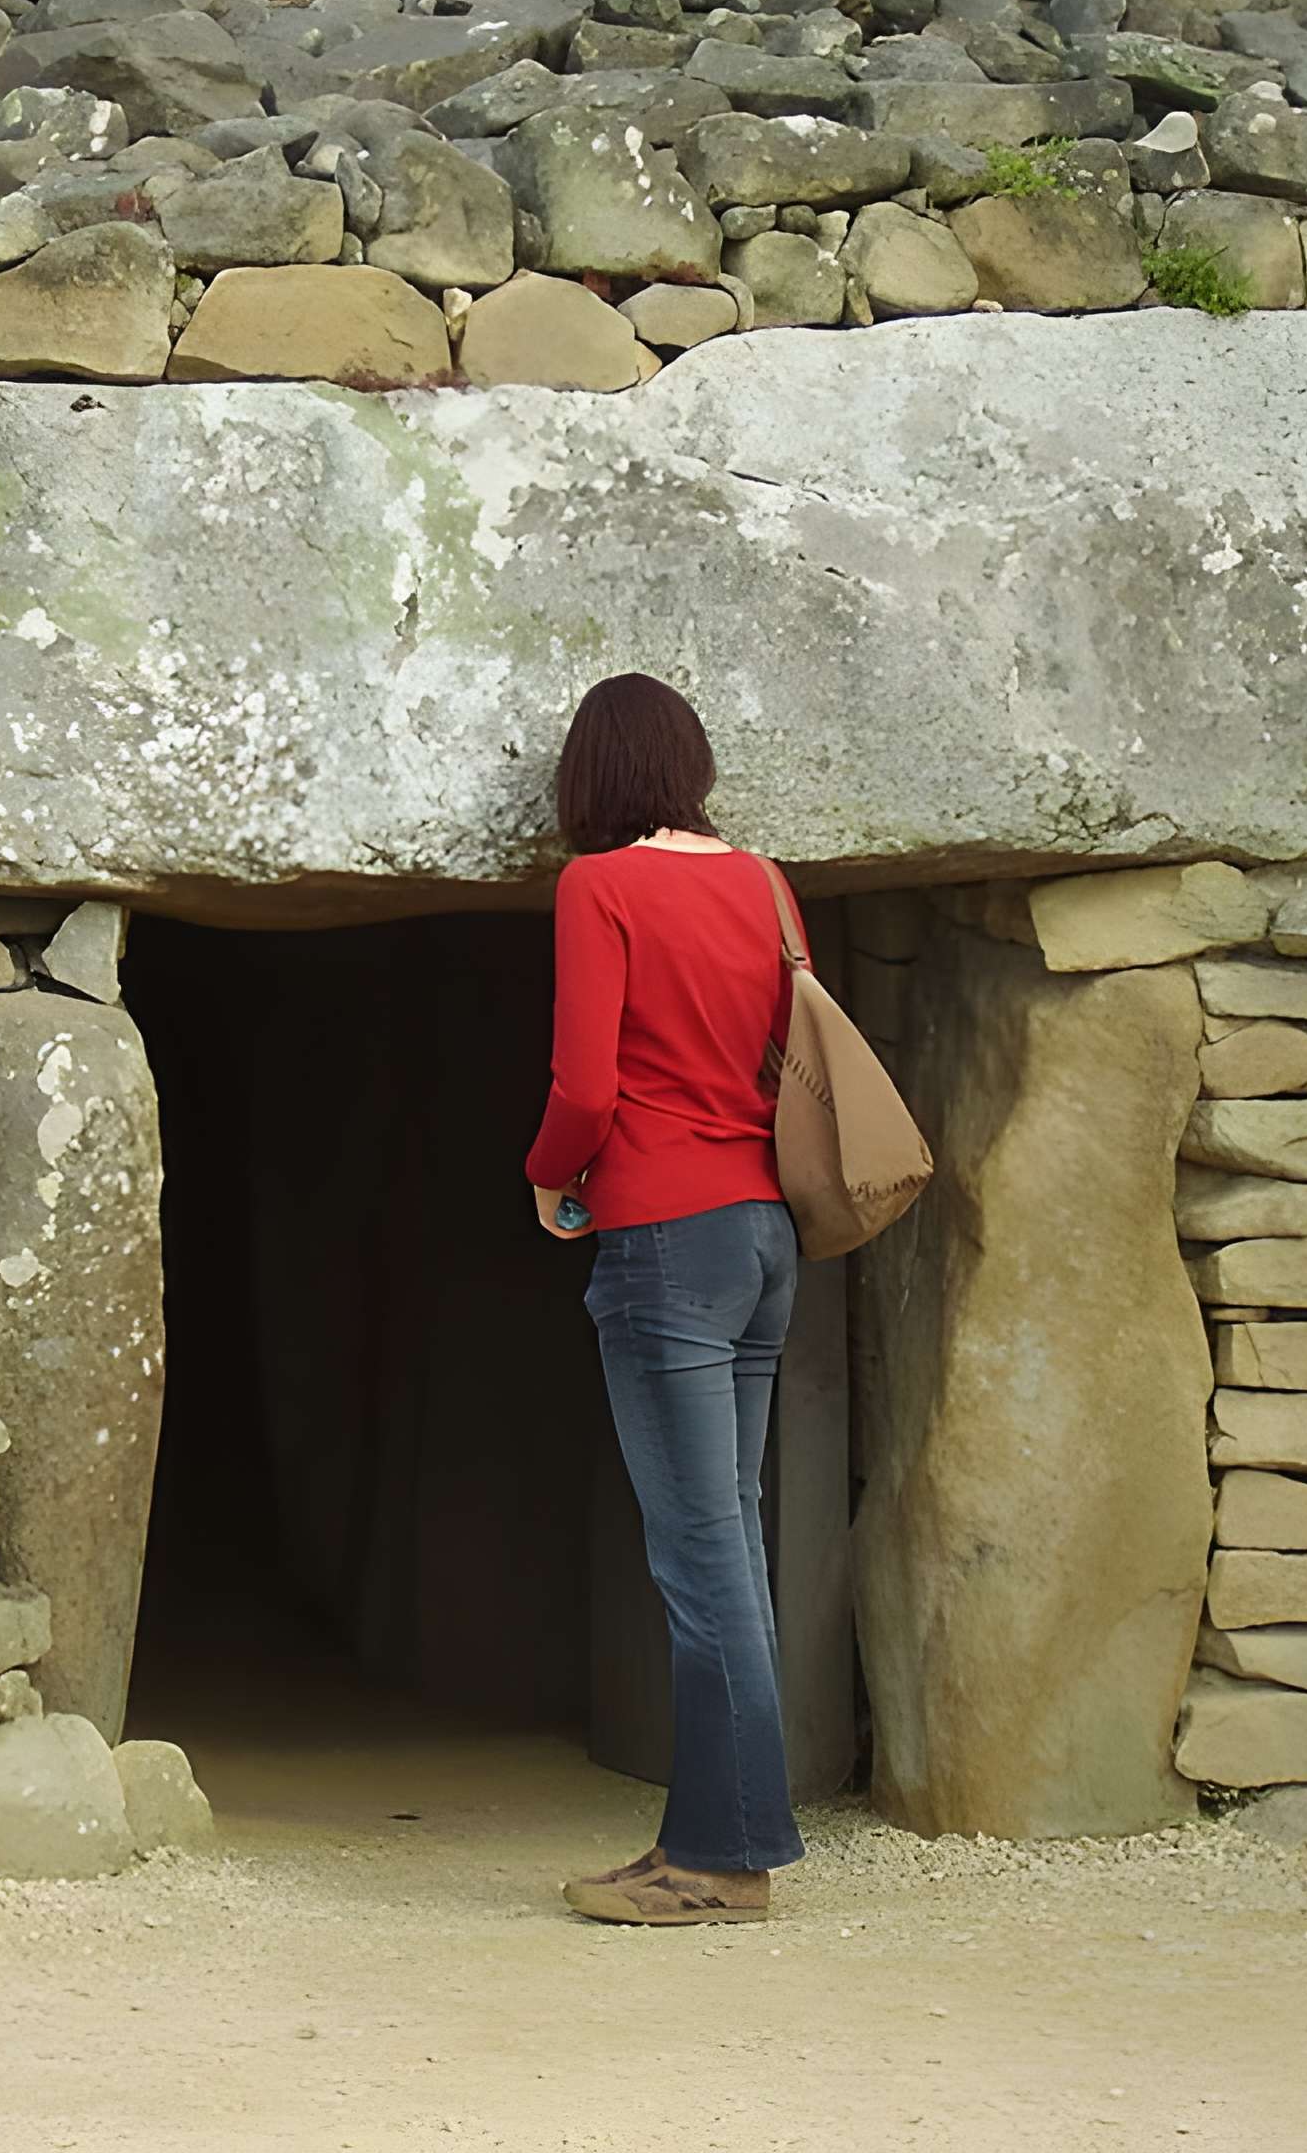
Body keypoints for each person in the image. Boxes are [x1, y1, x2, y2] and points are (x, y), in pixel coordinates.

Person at [524, 672, 804, 1928]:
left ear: (589, 777)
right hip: (763, 1233)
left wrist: (544, 1176)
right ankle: (711, 1839)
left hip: (664, 1239)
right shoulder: (762, 881)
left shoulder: (598, 886)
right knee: (730, 1541)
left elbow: (584, 1086)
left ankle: (723, 1864)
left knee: (700, 1560)